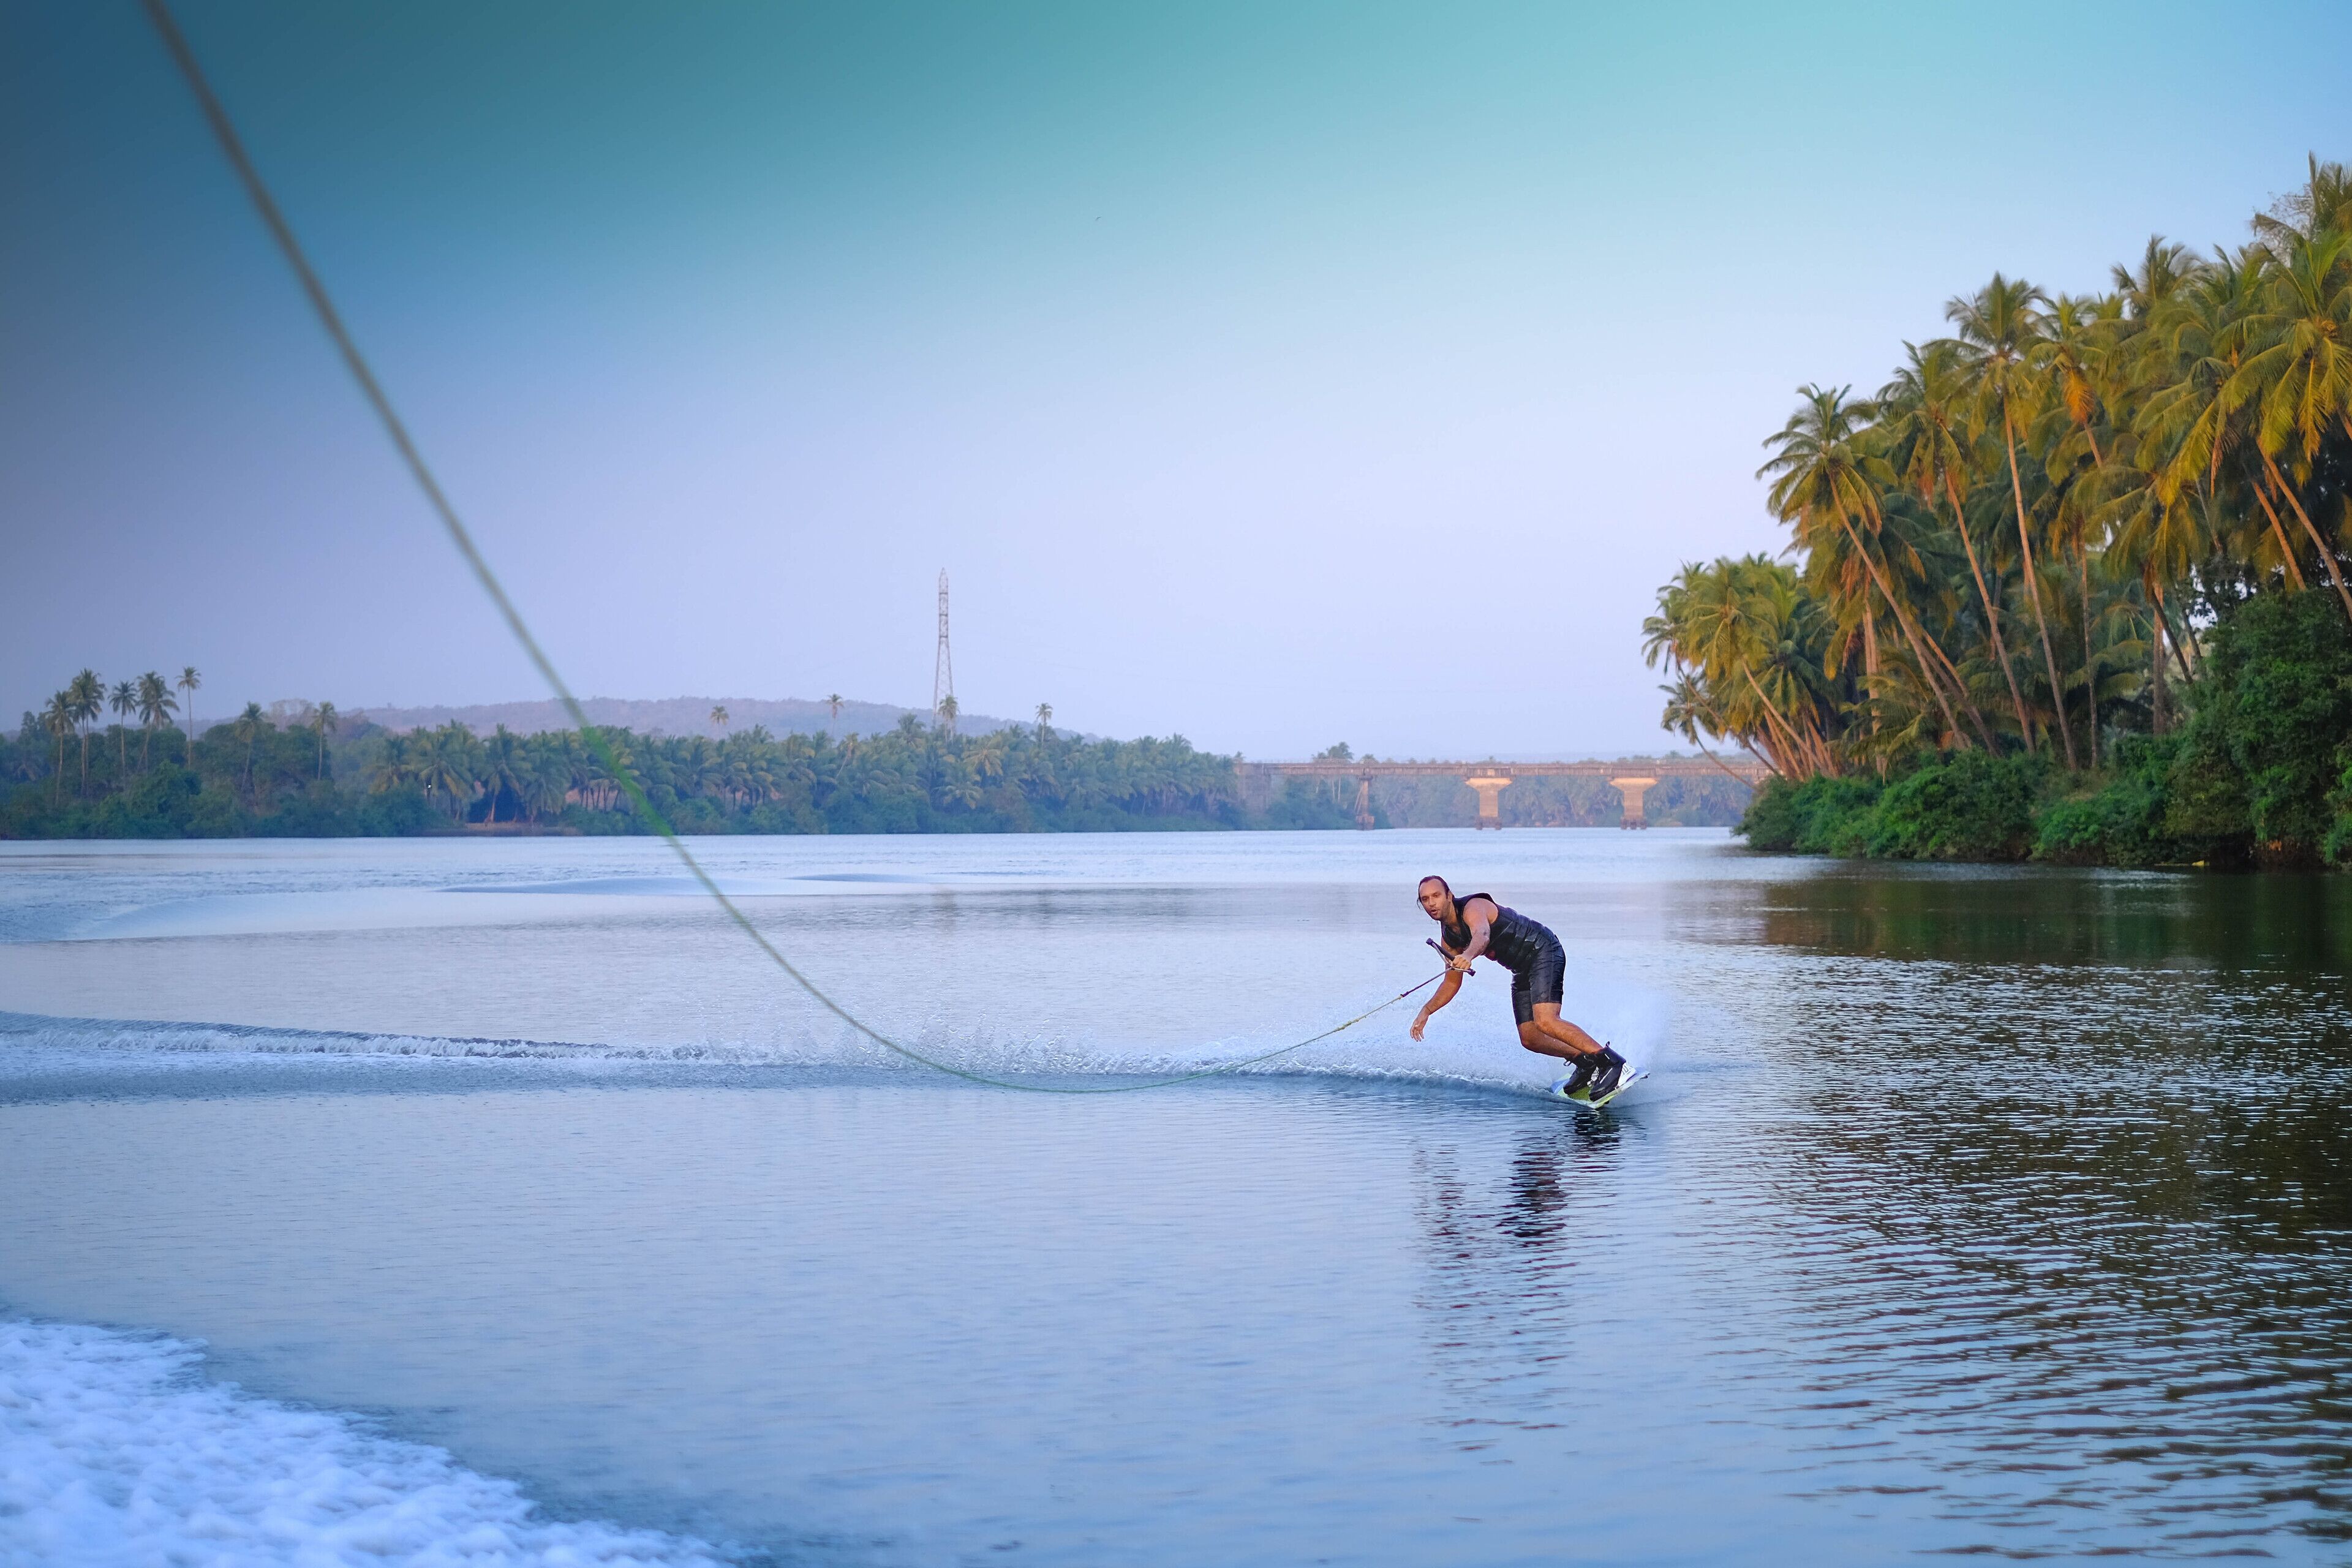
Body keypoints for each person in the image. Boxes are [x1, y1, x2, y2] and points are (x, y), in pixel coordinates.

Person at [1409, 875, 1630, 1099]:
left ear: (1449, 896)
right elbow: (1451, 982)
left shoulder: (1473, 907)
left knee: (1546, 1020)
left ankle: (1610, 1062)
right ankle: (1585, 1061)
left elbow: (1482, 935)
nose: (1431, 903)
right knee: (1530, 1038)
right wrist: (1427, 1011)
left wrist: (1467, 955)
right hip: (1522, 969)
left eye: (1436, 896)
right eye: (1425, 899)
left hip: (1543, 950)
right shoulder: (1449, 938)